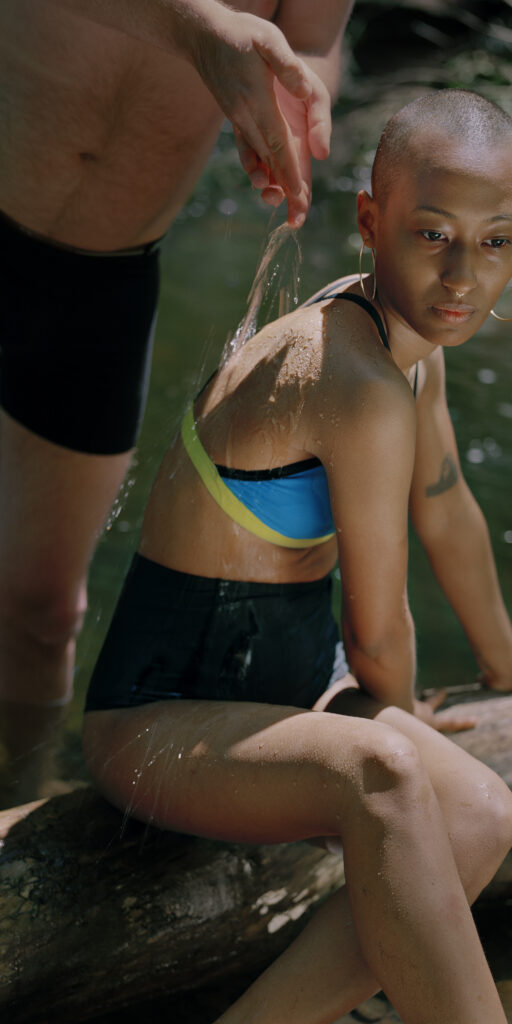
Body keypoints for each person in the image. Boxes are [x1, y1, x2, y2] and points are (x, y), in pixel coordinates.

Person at [82, 89, 512, 1023]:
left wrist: (505, 665)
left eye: (496, 240)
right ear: (371, 217)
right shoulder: (350, 376)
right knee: (384, 775)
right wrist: (389, 714)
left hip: (289, 693)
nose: (463, 276)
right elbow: (378, 631)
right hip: (155, 725)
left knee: (483, 815)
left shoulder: (413, 352)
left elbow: (447, 507)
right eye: (432, 236)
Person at [0, 0, 354, 806]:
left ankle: (18, 807)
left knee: (40, 609)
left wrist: (288, 101)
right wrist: (195, 26)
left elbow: (314, 39)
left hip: (101, 280)